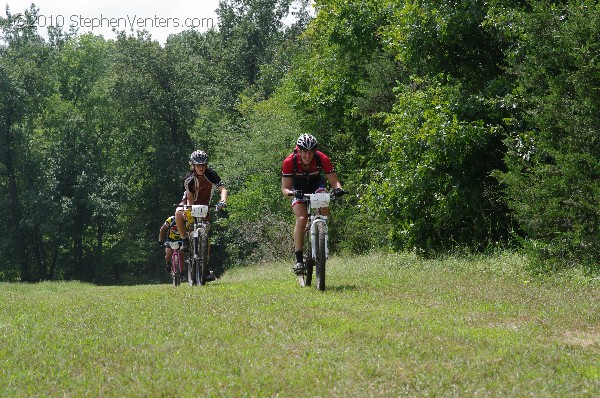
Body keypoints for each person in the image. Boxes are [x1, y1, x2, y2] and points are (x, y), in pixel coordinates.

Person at [281, 134, 345, 275]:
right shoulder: (289, 161)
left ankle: (322, 236)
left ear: (315, 151)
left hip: (316, 185)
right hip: (297, 189)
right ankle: (299, 260)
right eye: (304, 151)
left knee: (324, 200)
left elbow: (334, 181)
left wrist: (338, 189)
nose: (307, 155)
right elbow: (285, 189)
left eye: (311, 152)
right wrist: (292, 193)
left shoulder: (322, 158)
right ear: (298, 150)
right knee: (302, 218)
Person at [175, 150, 227, 279]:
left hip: (205, 205)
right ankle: (184, 240)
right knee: (178, 212)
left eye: (203, 164)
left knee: (205, 232)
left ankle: (205, 265)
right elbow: (190, 197)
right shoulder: (188, 178)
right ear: (192, 165)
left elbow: (223, 189)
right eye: (198, 165)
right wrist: (190, 212)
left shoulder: (211, 174)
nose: (201, 167)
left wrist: (222, 201)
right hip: (190, 202)